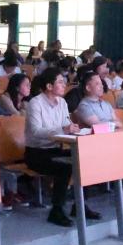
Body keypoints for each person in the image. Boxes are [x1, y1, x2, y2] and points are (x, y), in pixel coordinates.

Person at [73, 73, 123, 208]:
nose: (101, 85)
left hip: (113, 142)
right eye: (97, 83)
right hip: (96, 146)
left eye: (101, 82)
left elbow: (119, 123)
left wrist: (110, 124)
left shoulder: (106, 104)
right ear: (88, 87)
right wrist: (111, 124)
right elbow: (97, 125)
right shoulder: (84, 106)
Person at [24, 68, 89, 227]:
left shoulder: (62, 102)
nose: (64, 84)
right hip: (37, 153)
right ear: (49, 86)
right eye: (60, 82)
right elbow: (36, 131)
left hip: (55, 149)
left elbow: (66, 124)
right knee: (65, 167)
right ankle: (56, 210)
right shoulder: (35, 103)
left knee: (86, 159)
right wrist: (63, 129)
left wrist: (72, 128)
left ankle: (79, 205)